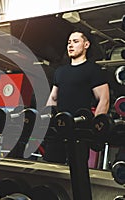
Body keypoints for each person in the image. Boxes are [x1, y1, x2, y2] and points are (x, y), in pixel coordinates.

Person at [45, 29, 110, 163]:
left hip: (79, 130)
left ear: (86, 45)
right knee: (51, 168)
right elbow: (53, 98)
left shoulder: (93, 70)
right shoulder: (60, 71)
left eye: (75, 41)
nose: (70, 45)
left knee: (76, 171)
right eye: (69, 42)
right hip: (58, 129)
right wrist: (46, 121)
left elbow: (104, 99)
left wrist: (96, 128)